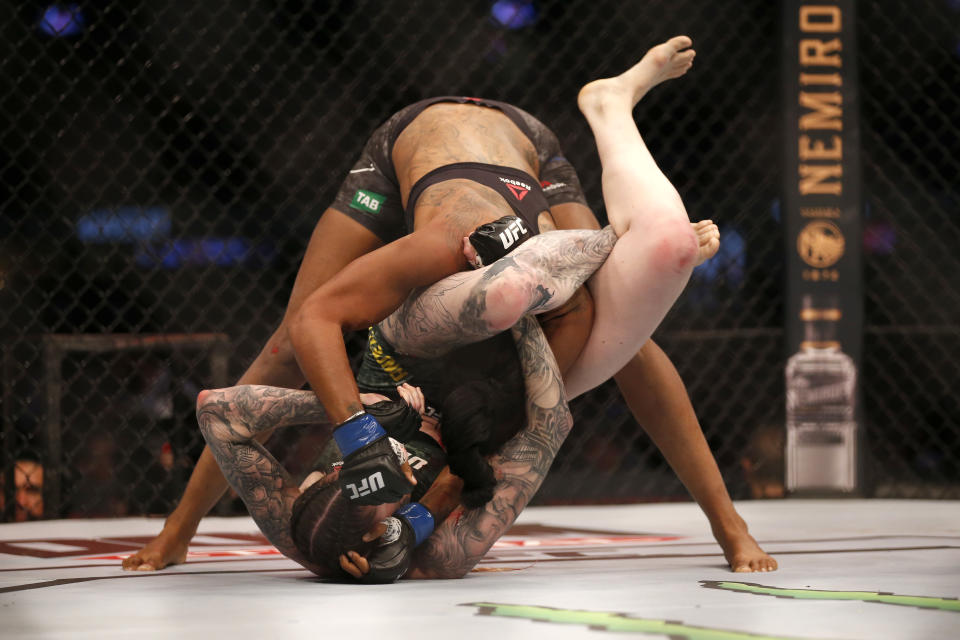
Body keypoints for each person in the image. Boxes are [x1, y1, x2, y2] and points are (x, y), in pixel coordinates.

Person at [124, 35, 774, 573]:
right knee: (285, 345)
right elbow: (311, 327)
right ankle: (179, 528)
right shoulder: (447, 275)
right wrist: (375, 464)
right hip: (423, 166)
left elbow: (495, 424)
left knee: (631, 344)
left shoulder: (512, 277)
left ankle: (728, 522)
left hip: (520, 157)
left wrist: (387, 474)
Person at [198, 314, 570, 580]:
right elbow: (551, 426)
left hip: (394, 380)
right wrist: (524, 315)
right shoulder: (442, 556)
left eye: (357, 464)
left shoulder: (296, 524)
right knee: (574, 316)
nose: (400, 462)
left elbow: (213, 409)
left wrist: (363, 412)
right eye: (396, 478)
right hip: (486, 403)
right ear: (380, 530)